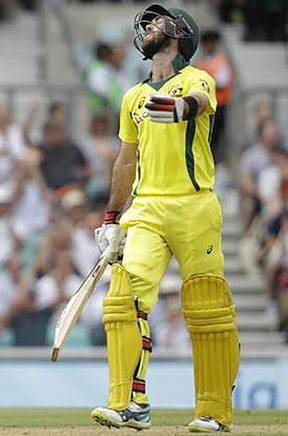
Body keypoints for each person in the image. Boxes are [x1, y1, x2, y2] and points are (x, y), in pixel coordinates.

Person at [91, 4, 240, 433]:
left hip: (194, 205)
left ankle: (214, 411)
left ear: (179, 35)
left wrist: (178, 108)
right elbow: (125, 160)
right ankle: (128, 403)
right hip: (146, 209)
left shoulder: (197, 77)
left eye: (159, 22)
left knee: (207, 308)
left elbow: (200, 101)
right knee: (123, 300)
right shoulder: (132, 97)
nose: (149, 26)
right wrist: (112, 218)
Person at [195, 30, 233, 165]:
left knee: (215, 139)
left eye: (212, 42)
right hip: (203, 108)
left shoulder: (221, 62)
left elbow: (222, 83)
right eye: (207, 43)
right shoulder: (200, 63)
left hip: (218, 106)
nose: (209, 46)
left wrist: (205, 85)